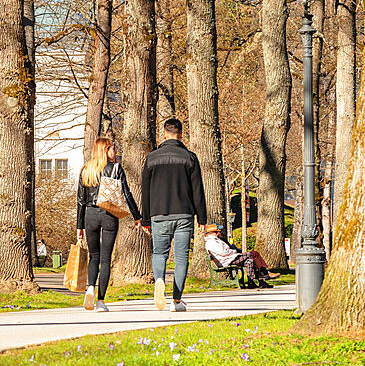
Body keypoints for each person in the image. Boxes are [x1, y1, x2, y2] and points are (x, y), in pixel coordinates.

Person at [141, 119, 206, 312]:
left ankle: (159, 279)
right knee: (181, 257)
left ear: (163, 134)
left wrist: (145, 219)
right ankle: (176, 300)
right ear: (181, 134)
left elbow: (146, 191)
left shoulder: (151, 158)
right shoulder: (190, 158)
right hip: (184, 213)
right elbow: (198, 190)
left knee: (159, 253)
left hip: (159, 213)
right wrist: (201, 218)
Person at [76, 137, 141, 312]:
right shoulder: (116, 169)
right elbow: (126, 194)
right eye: (113, 148)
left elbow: (80, 201)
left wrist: (79, 227)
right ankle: (101, 301)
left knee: (93, 256)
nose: (116, 152)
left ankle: (90, 287)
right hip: (108, 214)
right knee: (105, 259)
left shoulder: (86, 170)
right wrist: (137, 216)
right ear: (106, 150)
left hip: (89, 216)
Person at [203, 224, 277, 288]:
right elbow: (223, 252)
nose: (219, 233)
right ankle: (265, 273)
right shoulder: (211, 242)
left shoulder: (215, 240)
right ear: (212, 233)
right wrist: (234, 251)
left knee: (250, 261)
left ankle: (253, 282)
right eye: (217, 232)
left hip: (229, 258)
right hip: (227, 260)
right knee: (254, 253)